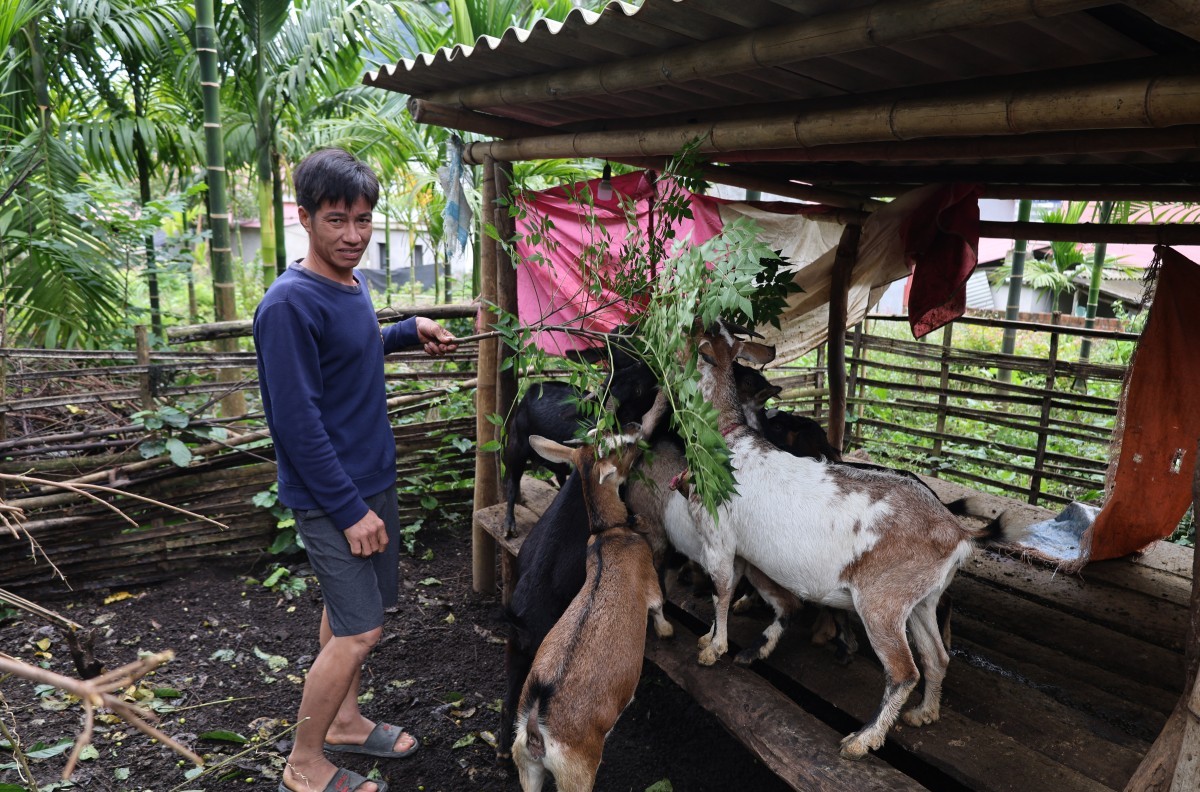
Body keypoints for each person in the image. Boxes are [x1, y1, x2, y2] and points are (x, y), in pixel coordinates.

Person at [253, 148, 457, 792]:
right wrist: (350, 512)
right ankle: (304, 763)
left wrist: (406, 330)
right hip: (332, 495)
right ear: (305, 218)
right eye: (337, 220)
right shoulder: (287, 306)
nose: (353, 235)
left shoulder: (348, 284)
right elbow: (297, 425)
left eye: (364, 219)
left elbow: (355, 339)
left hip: (370, 477)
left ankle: (343, 721)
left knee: (349, 620)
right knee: (362, 631)